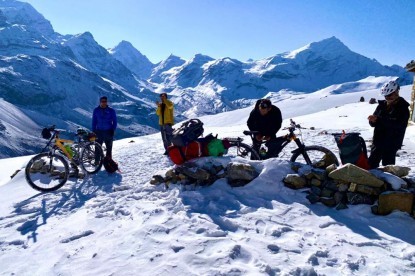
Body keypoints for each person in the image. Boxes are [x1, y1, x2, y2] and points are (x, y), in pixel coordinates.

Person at [367, 80, 409, 168]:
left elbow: (397, 124)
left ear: (396, 92)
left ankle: (388, 182)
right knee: (371, 165)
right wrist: (372, 121)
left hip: (391, 143)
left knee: (388, 168)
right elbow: (375, 123)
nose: (387, 98)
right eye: (386, 95)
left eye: (389, 95)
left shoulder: (403, 107)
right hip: (378, 141)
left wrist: (378, 120)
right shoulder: (381, 105)